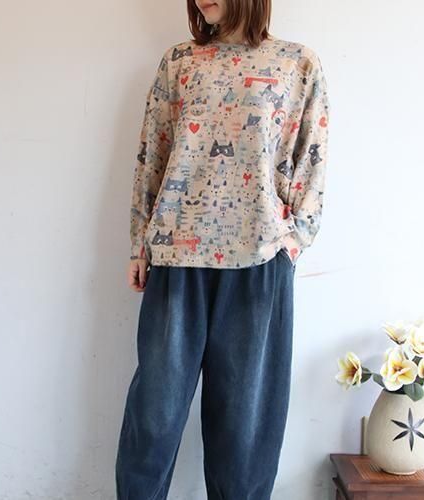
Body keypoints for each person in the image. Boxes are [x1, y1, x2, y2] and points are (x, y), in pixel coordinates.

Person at [116, 0, 330, 497]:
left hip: (259, 261)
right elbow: (153, 151)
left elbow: (312, 157)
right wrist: (139, 243)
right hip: (177, 257)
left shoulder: (297, 63)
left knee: (244, 427)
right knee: (155, 414)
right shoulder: (179, 62)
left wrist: (296, 237)